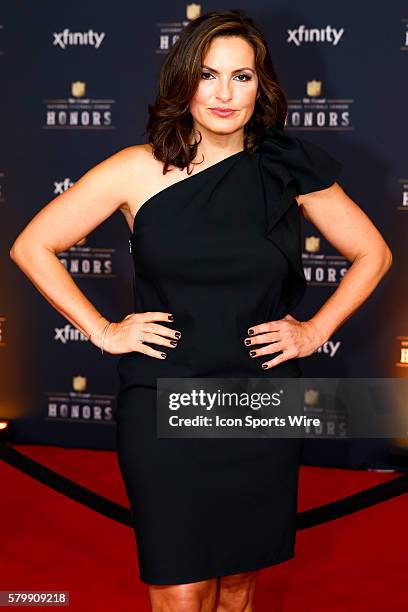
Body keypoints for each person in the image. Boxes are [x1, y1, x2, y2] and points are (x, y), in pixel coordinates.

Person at [10, 9, 392, 612]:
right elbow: (32, 245)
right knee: (182, 585)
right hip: (166, 392)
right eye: (208, 74)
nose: (222, 93)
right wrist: (105, 331)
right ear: (183, 80)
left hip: (258, 396)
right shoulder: (137, 169)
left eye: (241, 77)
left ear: (260, 86)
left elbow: (373, 251)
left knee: (239, 581)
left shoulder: (287, 167)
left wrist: (315, 329)